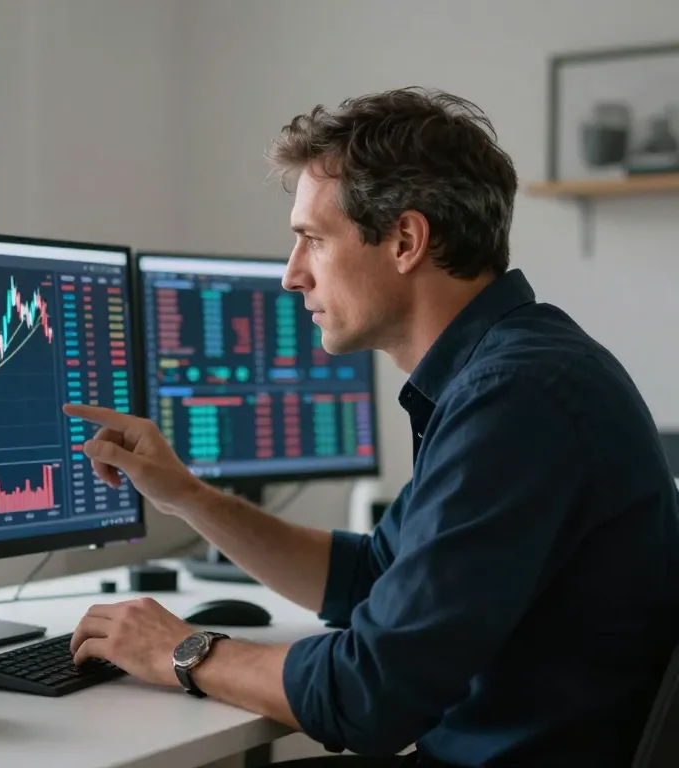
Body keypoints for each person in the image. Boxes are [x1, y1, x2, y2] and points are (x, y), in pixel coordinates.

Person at [65, 88, 679, 767]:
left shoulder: (516, 395)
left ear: (406, 241)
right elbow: (371, 580)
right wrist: (185, 494)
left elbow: (369, 696)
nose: (292, 276)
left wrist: (182, 650)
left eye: (312, 240)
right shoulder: (514, 369)